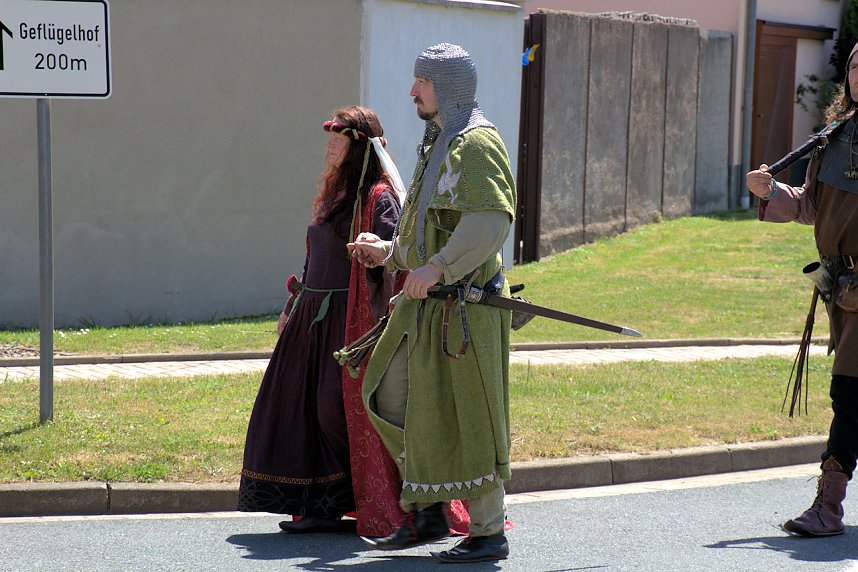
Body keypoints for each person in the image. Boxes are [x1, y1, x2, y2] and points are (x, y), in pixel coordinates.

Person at [348, 43, 516, 563]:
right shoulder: (438, 140)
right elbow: (427, 229)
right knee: (386, 392)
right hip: (425, 306)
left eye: (420, 80)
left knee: (471, 413)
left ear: (447, 85)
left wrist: (439, 268)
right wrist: (390, 254)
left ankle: (488, 531)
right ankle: (430, 508)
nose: (412, 90)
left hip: (466, 308)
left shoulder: (477, 143)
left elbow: (489, 222)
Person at [237, 106, 408, 537]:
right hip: (311, 317)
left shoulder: (378, 197)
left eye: (339, 139)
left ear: (360, 148)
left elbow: (395, 255)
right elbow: (314, 258)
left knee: (334, 409)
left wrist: (379, 248)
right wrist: (291, 307)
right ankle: (318, 506)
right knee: (303, 409)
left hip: (349, 321)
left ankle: (356, 498)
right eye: (329, 138)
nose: (329, 146)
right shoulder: (336, 193)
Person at [746, 42, 858, 537]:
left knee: (850, 392)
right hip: (843, 290)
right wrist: (772, 193)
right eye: (855, 64)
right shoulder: (837, 133)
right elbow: (813, 208)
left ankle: (828, 508)